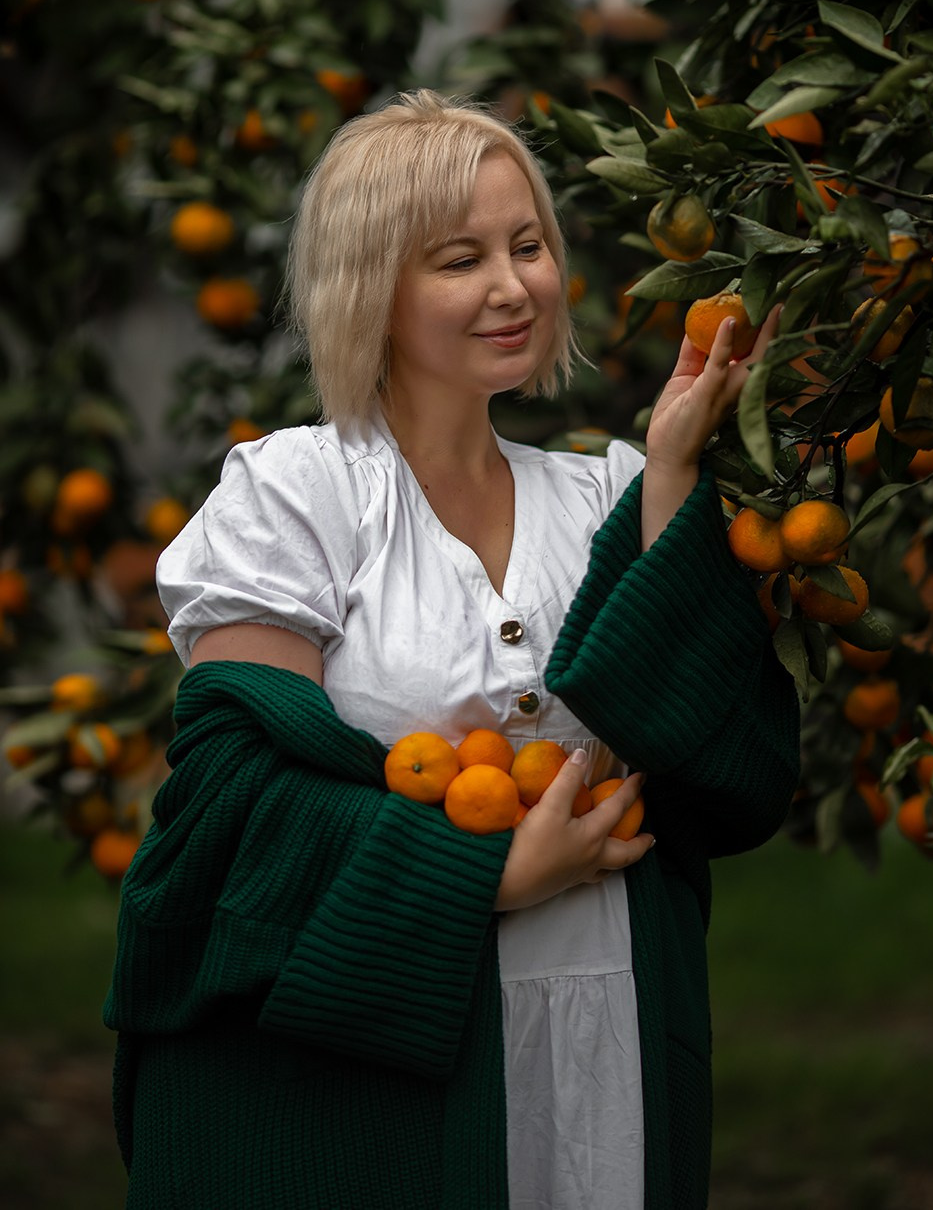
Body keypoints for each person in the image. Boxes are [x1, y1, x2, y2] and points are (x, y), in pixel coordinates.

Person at [104, 89, 800, 1210]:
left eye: (527, 245)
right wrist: (485, 874)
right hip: (385, 1065)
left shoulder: (611, 493)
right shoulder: (296, 496)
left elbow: (729, 770)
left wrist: (673, 468)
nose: (512, 285)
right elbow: (233, 803)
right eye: (458, 258)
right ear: (370, 289)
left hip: (604, 1026)